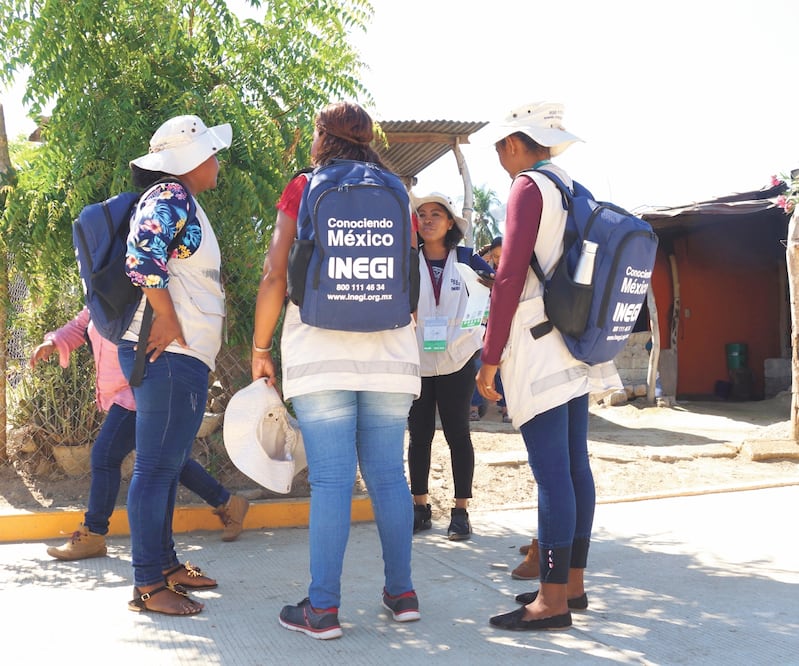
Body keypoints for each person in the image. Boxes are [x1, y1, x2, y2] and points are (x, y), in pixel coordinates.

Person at [252, 101, 421, 640]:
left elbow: (275, 273)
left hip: (320, 351)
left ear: (322, 137)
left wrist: (260, 346)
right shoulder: (396, 192)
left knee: (330, 480)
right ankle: (403, 594)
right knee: (389, 475)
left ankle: (322, 608)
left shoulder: (305, 187)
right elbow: (410, 274)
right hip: (391, 352)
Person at [474, 102, 621, 631]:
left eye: (499, 146)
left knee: (551, 474)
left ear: (516, 142)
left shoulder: (528, 187)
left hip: (536, 343)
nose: (499, 156)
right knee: (575, 467)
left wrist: (490, 357)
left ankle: (551, 602)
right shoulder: (572, 189)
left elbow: (509, 276)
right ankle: (571, 585)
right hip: (574, 340)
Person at [116, 114, 231, 616]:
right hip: (168, 354)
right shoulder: (172, 196)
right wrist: (165, 317)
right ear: (190, 159)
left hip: (181, 355)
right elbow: (143, 254)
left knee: (163, 467)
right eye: (211, 152)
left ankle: (165, 567)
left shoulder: (184, 202)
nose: (217, 160)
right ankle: (147, 585)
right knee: (156, 468)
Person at [30, 307, 249, 561]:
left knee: (105, 456)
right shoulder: (101, 300)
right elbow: (80, 325)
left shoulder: (139, 298)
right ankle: (228, 503)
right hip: (122, 394)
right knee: (166, 460)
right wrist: (53, 342)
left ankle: (94, 533)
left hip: (139, 391)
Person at [408, 192, 493, 541]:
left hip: (458, 359)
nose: (428, 220)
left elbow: (496, 289)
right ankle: (420, 508)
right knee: (419, 435)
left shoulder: (467, 259)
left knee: (458, 434)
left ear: (450, 223)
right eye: (422, 214)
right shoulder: (406, 259)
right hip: (416, 360)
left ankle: (461, 512)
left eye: (436, 214)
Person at [471, 236, 510, 423]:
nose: (499, 260)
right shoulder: (483, 276)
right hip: (481, 328)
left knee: (504, 370)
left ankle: (506, 407)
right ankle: (474, 407)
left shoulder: (516, 276)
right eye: (495, 256)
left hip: (506, 330)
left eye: (503, 255)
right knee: (478, 365)